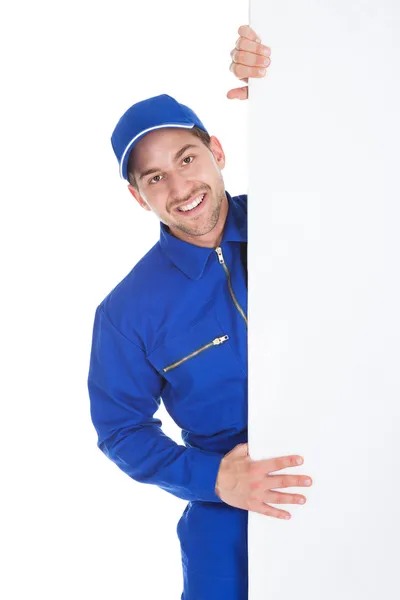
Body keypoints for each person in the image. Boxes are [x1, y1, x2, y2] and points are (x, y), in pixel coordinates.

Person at [87, 24, 312, 600]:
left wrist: (290, 83)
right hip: (228, 510)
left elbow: (358, 161)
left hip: (356, 457)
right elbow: (120, 430)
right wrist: (213, 478)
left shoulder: (291, 219)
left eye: (187, 158)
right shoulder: (126, 312)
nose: (180, 186)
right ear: (139, 196)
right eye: (155, 177)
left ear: (216, 150)